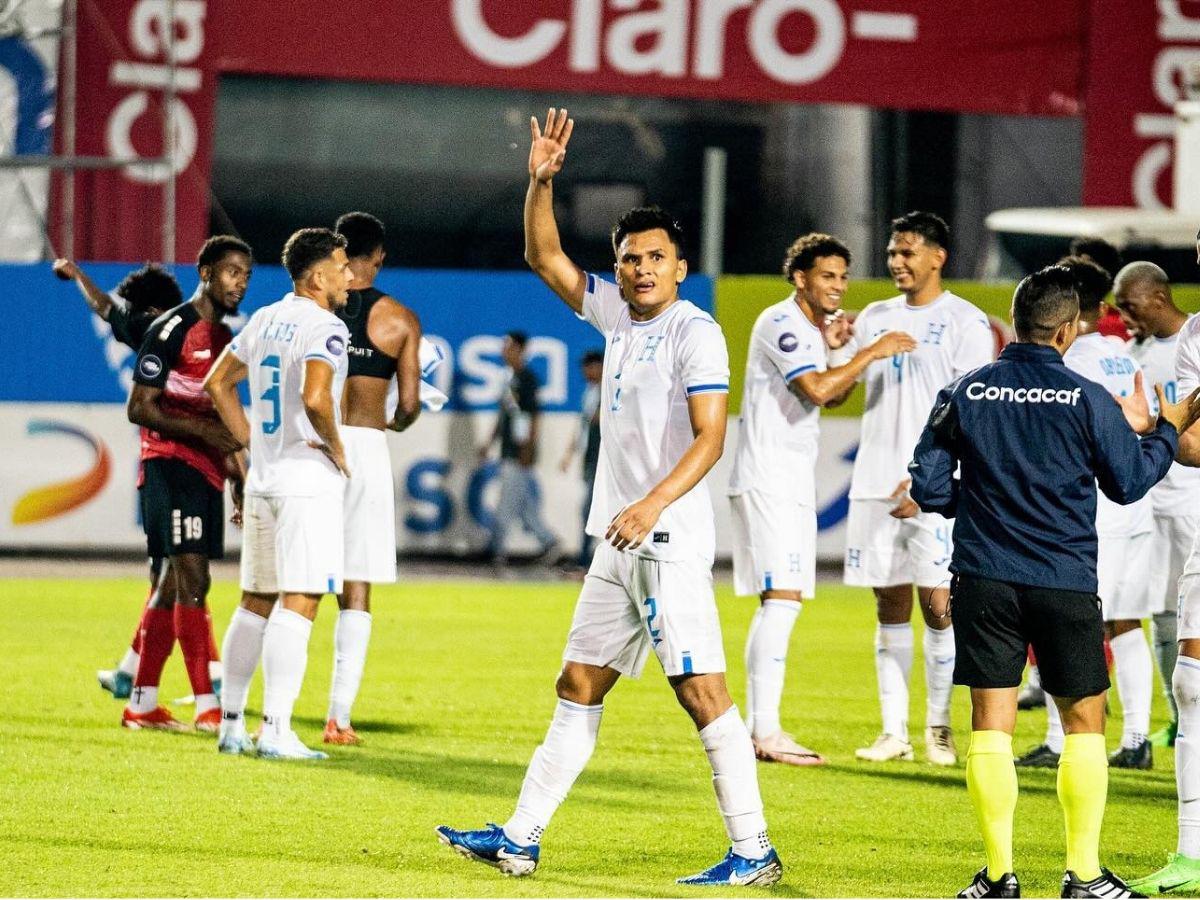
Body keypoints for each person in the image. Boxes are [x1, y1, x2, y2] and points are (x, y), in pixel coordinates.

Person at [437, 108, 781, 887]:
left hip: (664, 540)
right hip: (617, 544)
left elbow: (710, 438)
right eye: (629, 259)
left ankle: (754, 848)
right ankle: (521, 837)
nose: (640, 270)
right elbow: (543, 254)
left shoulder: (696, 332)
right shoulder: (617, 316)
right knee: (578, 684)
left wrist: (653, 505)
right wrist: (541, 180)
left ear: (679, 267)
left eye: (655, 258)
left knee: (701, 692)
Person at [909, 264, 1198, 899]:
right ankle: (1085, 876)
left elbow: (928, 487)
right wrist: (1169, 430)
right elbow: (1127, 484)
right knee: (1084, 724)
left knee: (991, 725)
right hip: (1063, 579)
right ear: (1067, 330)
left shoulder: (964, 392)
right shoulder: (1088, 397)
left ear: (1017, 323)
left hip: (984, 576)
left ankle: (996, 876)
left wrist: (986, 502)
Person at [727, 232, 915, 766]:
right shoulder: (782, 322)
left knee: (782, 601)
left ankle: (758, 727)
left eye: (842, 277)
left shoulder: (810, 330)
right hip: (770, 477)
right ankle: (765, 731)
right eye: (826, 276)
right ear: (800, 278)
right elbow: (818, 390)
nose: (837, 286)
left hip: (785, 478)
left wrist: (842, 350)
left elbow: (836, 390)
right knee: (781, 601)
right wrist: (871, 351)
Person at [840, 211, 994, 765]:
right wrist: (848, 347)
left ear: (938, 257)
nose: (897, 262)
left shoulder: (965, 323)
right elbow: (837, 392)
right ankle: (893, 732)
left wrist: (934, 474)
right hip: (874, 480)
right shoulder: (873, 318)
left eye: (907, 252)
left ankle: (938, 728)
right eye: (891, 253)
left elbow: (973, 412)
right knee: (888, 603)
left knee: (939, 606)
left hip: (931, 484)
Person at [204, 227, 353, 760]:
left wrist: (251, 442)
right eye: (341, 267)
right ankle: (277, 730)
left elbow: (217, 383)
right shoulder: (326, 326)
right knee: (302, 599)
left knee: (254, 602)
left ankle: (231, 724)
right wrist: (337, 448)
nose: (350, 276)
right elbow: (317, 399)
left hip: (265, 480)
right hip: (305, 482)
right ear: (317, 277)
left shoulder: (264, 317)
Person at [52, 259, 224, 702]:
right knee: (180, 576)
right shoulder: (198, 329)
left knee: (173, 575)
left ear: (147, 306)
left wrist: (75, 274)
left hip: (173, 461)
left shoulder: (151, 327)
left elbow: (105, 306)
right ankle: (150, 678)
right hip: (203, 462)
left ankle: (193, 689)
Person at [1016, 258, 1157, 770]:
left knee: (1070, 622)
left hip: (1094, 511)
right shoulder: (1121, 351)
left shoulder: (1074, 360)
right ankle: (1136, 739)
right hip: (1134, 509)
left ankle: (1058, 740)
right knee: (1125, 622)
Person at [121, 236, 251, 732]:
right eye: (230, 271)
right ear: (204, 271)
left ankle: (142, 702)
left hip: (203, 468)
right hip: (170, 465)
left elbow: (221, 412)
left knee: (172, 583)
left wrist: (235, 469)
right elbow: (140, 407)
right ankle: (207, 708)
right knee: (193, 581)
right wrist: (209, 436)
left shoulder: (225, 339)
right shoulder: (172, 328)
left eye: (245, 274)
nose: (238, 282)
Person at [314, 211, 423, 746]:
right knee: (357, 583)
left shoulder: (313, 309)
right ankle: (339, 717)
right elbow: (408, 407)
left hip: (314, 445)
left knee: (298, 578)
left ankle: (264, 716)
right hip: (365, 446)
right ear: (377, 258)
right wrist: (396, 421)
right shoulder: (399, 319)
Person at [1128, 235, 1200, 896]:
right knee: (1191, 682)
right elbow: (1192, 440)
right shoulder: (1194, 338)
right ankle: (1191, 855)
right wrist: (1161, 429)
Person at [1117, 261, 1199, 750]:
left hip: (1191, 499)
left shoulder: (1186, 343)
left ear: (1158, 297)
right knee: (1164, 617)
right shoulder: (1133, 354)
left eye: (1130, 304)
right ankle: (1177, 716)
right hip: (1152, 502)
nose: (1124, 316)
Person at [479, 330, 558, 564]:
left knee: (506, 501)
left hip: (518, 451)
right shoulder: (509, 378)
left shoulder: (527, 379)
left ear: (521, 350)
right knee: (523, 505)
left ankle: (497, 551)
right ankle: (549, 542)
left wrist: (527, 448)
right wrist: (490, 442)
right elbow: (505, 416)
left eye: (509, 346)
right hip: (509, 448)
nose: (504, 351)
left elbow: (533, 415)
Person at [559, 348, 604, 570]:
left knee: (589, 508)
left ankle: (586, 557)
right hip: (589, 457)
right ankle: (586, 555)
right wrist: (569, 453)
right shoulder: (590, 392)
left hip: (601, 459)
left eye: (589, 366)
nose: (586, 372)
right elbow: (582, 425)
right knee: (589, 508)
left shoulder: (609, 391)